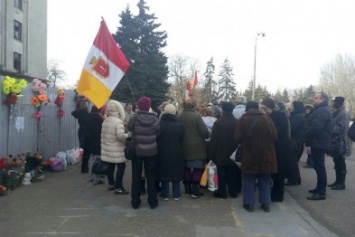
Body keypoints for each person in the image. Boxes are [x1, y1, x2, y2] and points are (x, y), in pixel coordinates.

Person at [235, 101, 277, 212]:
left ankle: (249, 203)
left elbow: (237, 137)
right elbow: (274, 136)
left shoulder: (243, 119)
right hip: (266, 153)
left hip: (249, 153)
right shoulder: (267, 118)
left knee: (248, 178)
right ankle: (266, 203)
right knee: (265, 178)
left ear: (246, 108)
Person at [129, 97, 160, 209]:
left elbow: (129, 128)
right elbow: (158, 133)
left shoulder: (134, 118)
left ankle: (135, 202)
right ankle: (152, 201)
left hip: (137, 151)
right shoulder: (156, 119)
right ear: (149, 107)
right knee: (151, 176)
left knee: (136, 176)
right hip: (151, 151)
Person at [262, 98, 293, 202]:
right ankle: (276, 192)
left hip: (278, 147)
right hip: (279, 146)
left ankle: (277, 194)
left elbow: (278, 132)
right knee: (277, 171)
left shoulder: (276, 116)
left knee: (278, 171)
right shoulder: (279, 116)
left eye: (265, 108)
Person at [208, 101, 241, 199]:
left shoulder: (218, 122)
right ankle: (233, 192)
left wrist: (211, 154)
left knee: (221, 173)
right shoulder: (237, 122)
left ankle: (222, 193)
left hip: (220, 152)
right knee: (232, 172)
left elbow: (214, 139)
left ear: (222, 109)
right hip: (233, 151)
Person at [304, 92, 332, 200]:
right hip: (318, 141)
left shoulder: (323, 110)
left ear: (322, 99)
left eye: (316, 98)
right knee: (318, 166)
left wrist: (305, 136)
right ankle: (319, 188)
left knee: (320, 167)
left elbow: (316, 126)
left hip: (319, 142)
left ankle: (321, 192)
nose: (313, 99)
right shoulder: (320, 109)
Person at [178, 99, 209, 198]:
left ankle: (187, 189)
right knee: (197, 169)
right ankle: (195, 190)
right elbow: (205, 132)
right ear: (193, 106)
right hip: (197, 147)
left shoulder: (179, 117)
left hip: (183, 146)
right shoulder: (197, 117)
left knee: (186, 168)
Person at [101, 100, 129, 194]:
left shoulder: (105, 121)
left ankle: (111, 184)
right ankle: (118, 187)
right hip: (117, 149)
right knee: (121, 166)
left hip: (107, 148)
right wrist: (127, 135)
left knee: (110, 166)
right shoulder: (118, 122)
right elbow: (121, 137)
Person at [157, 104, 184, 201]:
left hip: (162, 150)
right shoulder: (179, 125)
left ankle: (165, 194)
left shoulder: (159, 124)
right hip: (176, 150)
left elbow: (157, 137)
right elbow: (181, 138)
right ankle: (176, 194)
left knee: (164, 171)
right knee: (175, 171)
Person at [328, 97, 351, 190]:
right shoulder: (337, 112)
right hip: (336, 141)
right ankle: (337, 181)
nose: (332, 104)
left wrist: (329, 130)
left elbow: (343, 128)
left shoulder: (343, 113)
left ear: (338, 103)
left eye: (334, 102)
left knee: (340, 162)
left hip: (342, 142)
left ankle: (341, 183)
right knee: (336, 162)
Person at [86, 106, 105, 185]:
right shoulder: (99, 119)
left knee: (91, 158)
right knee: (97, 159)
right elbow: (103, 129)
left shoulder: (88, 117)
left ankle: (90, 176)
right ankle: (96, 178)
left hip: (90, 139)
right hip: (98, 140)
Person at [71, 100, 90, 173]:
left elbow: (73, 113)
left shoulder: (78, 113)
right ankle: (85, 167)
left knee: (85, 150)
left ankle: (84, 167)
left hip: (81, 131)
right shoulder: (86, 113)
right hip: (87, 131)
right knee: (88, 150)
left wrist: (77, 109)